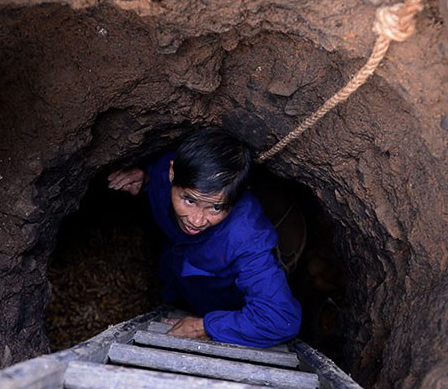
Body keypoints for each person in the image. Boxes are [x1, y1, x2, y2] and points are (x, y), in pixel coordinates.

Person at [107, 129, 302, 348]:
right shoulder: (167, 172)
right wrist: (146, 179)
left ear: (236, 197)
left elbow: (281, 319)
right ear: (172, 174)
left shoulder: (246, 238)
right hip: (176, 266)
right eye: (189, 200)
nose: (197, 221)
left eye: (216, 207)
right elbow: (159, 174)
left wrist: (205, 327)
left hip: (216, 299)